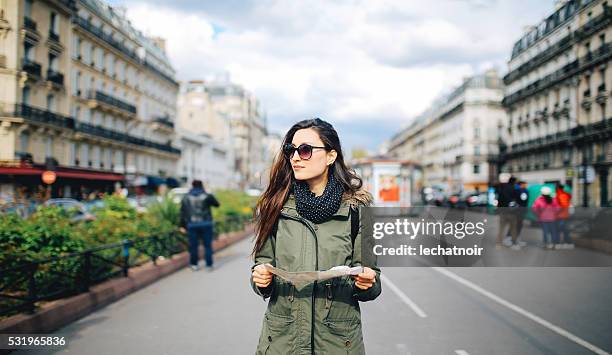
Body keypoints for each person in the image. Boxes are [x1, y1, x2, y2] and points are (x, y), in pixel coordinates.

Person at [250, 118, 381, 355]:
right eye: (291, 150)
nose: (295, 157)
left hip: (338, 344)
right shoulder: (274, 205)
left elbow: (373, 285)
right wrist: (260, 278)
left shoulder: (359, 208)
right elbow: (261, 268)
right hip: (282, 341)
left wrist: (366, 282)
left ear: (331, 156)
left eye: (306, 150)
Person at [179, 180, 220, 271]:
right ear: (202, 186)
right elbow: (217, 204)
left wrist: (182, 225)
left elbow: (182, 212)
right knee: (207, 245)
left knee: (193, 246)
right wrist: (210, 193)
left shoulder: (186, 197)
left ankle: (194, 265)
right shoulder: (207, 195)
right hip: (206, 224)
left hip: (192, 224)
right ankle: (209, 265)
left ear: (192, 186)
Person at [496, 175, 522, 250]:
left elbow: (499, 200)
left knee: (501, 228)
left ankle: (499, 244)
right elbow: (518, 200)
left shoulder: (502, 189)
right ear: (514, 182)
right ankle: (514, 243)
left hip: (503, 211)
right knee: (513, 228)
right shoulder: (514, 189)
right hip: (512, 212)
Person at [555, 182, 574, 249]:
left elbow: (563, 205)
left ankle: (563, 243)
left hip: (561, 216)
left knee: (560, 230)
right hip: (564, 215)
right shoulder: (562, 195)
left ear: (558, 188)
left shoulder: (561, 195)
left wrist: (557, 212)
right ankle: (567, 242)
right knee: (564, 230)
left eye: (556, 188)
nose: (555, 189)